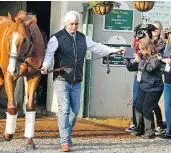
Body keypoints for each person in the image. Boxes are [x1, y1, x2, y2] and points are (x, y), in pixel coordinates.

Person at [41, 11, 123, 152]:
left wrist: (114, 51)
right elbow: (49, 55)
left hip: (77, 80)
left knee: (75, 112)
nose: (74, 27)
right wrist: (45, 66)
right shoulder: (57, 38)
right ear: (66, 23)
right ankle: (65, 141)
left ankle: (67, 134)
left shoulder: (83, 38)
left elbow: (98, 47)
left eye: (76, 24)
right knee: (64, 110)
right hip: (61, 79)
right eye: (72, 24)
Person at [126, 38, 163, 139]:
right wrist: (126, 59)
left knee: (147, 108)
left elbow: (150, 68)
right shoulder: (142, 58)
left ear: (148, 48)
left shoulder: (156, 58)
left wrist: (140, 61)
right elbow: (131, 68)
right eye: (140, 49)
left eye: (142, 49)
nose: (140, 51)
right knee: (138, 107)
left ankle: (149, 131)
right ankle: (140, 128)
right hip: (144, 87)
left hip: (154, 88)